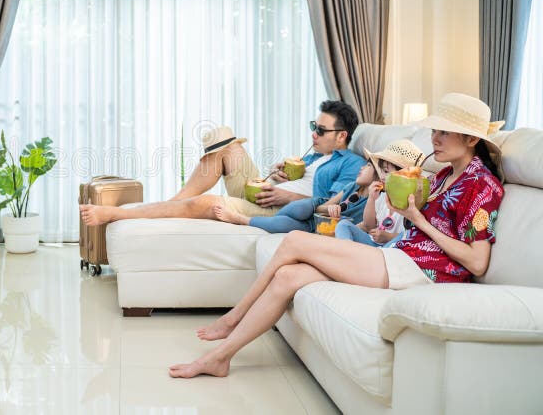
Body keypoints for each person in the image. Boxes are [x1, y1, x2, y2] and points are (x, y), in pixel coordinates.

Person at [168, 93, 505, 379]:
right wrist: (396, 211)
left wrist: (417, 218)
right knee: (288, 275)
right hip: (401, 254)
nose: (434, 139)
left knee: (295, 241)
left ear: (472, 139)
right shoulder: (444, 173)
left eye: (445, 133)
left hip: (424, 271)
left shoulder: (482, 185)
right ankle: (221, 358)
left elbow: (476, 261)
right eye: (435, 130)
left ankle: (232, 317)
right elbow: (410, 223)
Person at [79, 101, 365, 226]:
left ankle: (115, 214)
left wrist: (287, 194)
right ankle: (173, 203)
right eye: (314, 125)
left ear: (342, 136)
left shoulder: (351, 164)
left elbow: (333, 207)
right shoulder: (314, 155)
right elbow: (295, 179)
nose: (313, 133)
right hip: (268, 193)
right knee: (226, 145)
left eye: (321, 130)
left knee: (206, 203)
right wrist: (277, 176)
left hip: (285, 209)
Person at [212, 161, 379, 233]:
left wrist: (337, 217)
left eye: (368, 166)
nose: (361, 167)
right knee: (300, 208)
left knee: (283, 223)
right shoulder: (352, 186)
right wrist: (327, 209)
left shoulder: (375, 201)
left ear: (378, 177)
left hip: (321, 226)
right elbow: (324, 206)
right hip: (317, 210)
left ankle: (241, 219)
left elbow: (365, 226)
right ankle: (270, 223)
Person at [335, 140, 425, 248]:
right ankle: (347, 251)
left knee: (403, 236)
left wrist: (389, 237)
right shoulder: (382, 197)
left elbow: (411, 238)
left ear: (404, 176)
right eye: (381, 171)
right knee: (343, 225)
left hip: (392, 248)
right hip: (373, 244)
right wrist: (371, 199)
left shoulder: (412, 202)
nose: (381, 176)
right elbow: (369, 225)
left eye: (386, 172)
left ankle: (352, 255)